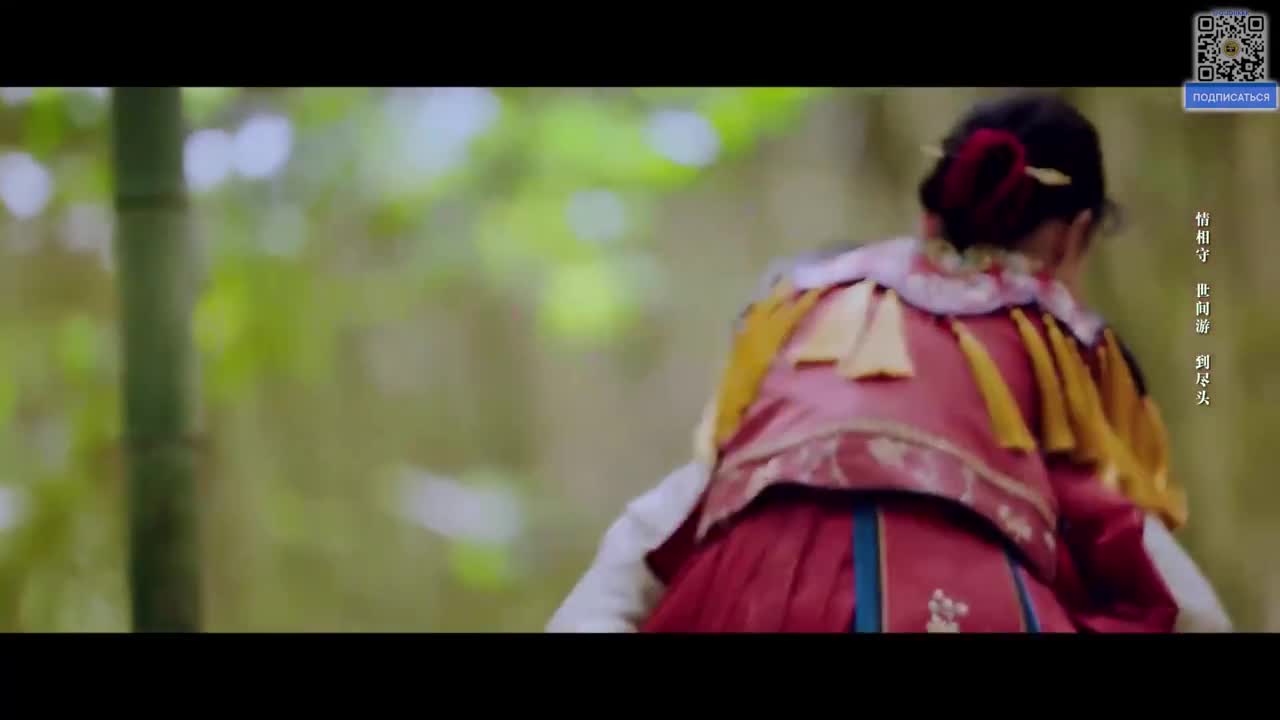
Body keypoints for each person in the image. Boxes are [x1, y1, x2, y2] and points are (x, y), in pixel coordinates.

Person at [547, 92, 1232, 633]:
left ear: (930, 211)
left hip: (744, 596)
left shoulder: (803, 302)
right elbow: (1146, 563)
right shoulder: (1049, 338)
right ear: (1074, 237)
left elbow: (682, 510)